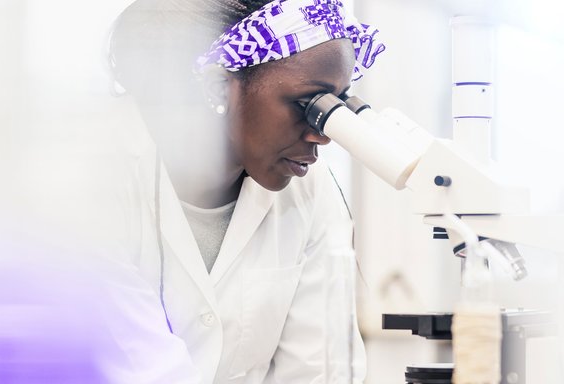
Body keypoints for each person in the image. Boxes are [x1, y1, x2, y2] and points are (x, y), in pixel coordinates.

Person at [106, 0, 385, 382]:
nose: (321, 133)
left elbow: (320, 371)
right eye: (306, 104)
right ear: (220, 87)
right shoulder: (98, 174)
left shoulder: (309, 190)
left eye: (335, 103)